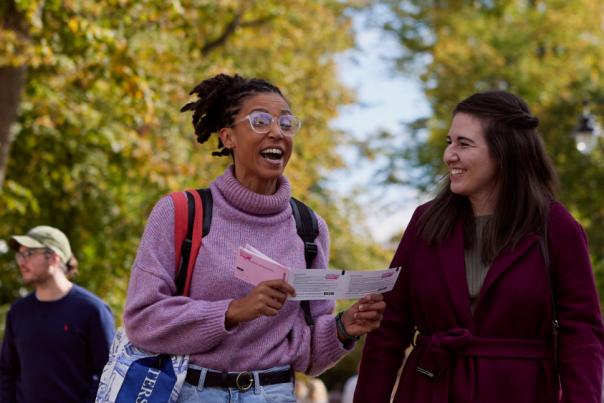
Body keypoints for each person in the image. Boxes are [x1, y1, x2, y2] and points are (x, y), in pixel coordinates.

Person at [123, 73, 386, 402]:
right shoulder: (180, 212)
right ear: (228, 137)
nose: (277, 131)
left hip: (274, 393)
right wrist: (232, 311)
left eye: (287, 123)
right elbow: (142, 320)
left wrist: (345, 326)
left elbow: (309, 357)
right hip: (190, 392)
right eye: (261, 121)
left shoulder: (309, 228)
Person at [354, 90, 604, 403]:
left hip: (520, 392)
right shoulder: (424, 222)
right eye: (449, 142)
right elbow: (388, 330)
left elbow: (581, 335)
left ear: (504, 152)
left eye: (464, 143)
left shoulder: (555, 227)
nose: (449, 155)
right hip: (429, 390)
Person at [0, 225, 116, 402]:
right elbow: (7, 371)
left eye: (28, 254)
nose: (21, 262)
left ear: (54, 257)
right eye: (20, 254)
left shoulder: (93, 311)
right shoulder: (18, 312)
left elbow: (109, 376)